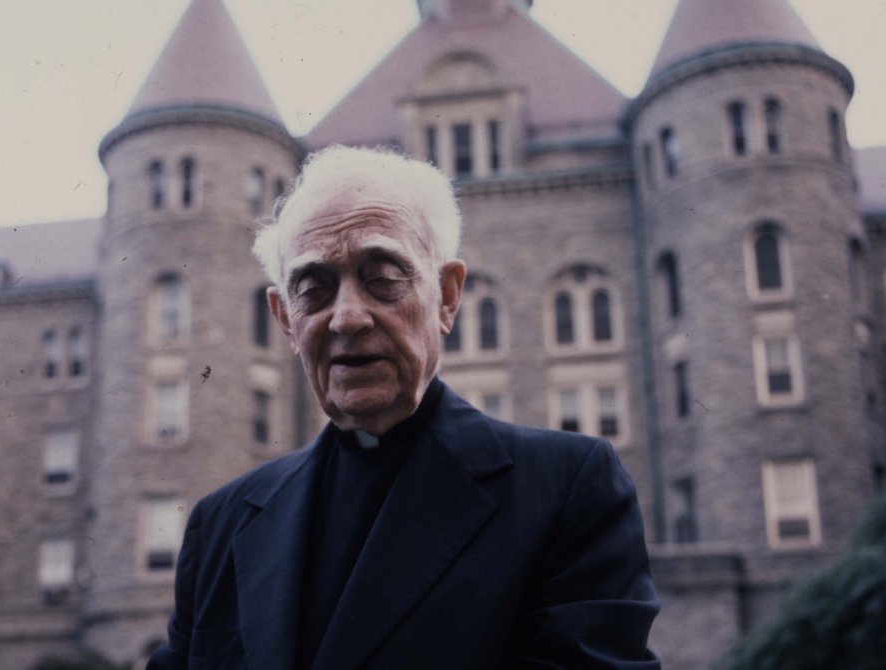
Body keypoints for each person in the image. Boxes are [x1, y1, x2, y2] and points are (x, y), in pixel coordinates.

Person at [148, 146, 660, 669]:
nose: (347, 317)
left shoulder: (565, 489)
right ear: (285, 319)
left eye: (383, 277)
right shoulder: (221, 524)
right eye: (314, 289)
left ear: (446, 295)